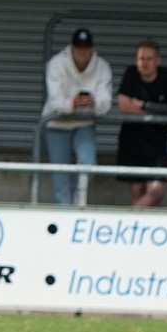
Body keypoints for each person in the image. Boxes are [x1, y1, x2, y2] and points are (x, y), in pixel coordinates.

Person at [41, 28, 112, 205]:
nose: (82, 51)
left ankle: (80, 205)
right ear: (71, 47)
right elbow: (55, 100)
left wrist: (93, 103)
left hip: (84, 122)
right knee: (60, 175)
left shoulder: (102, 66)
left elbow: (105, 103)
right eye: (78, 47)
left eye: (86, 47)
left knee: (87, 164)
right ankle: (64, 213)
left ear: (92, 48)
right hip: (57, 124)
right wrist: (72, 103)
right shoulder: (56, 63)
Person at [116, 39, 167, 208]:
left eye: (148, 59)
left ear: (157, 60)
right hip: (132, 142)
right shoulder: (130, 74)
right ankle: (137, 223)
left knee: (156, 191)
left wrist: (143, 105)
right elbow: (123, 106)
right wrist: (155, 112)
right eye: (140, 59)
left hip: (156, 144)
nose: (144, 63)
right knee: (137, 191)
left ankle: (129, 219)